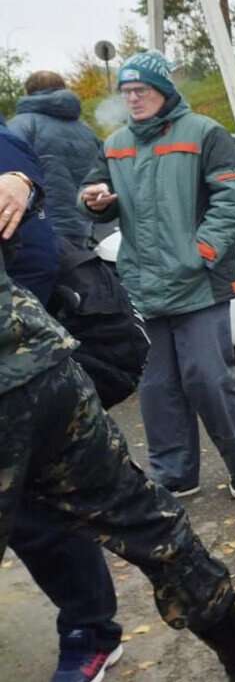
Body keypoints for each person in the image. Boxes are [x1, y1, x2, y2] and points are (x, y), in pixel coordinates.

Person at [0, 164, 235, 682]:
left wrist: (23, 180)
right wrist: (26, 182)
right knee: (149, 522)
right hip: (43, 363)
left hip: (38, 371)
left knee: (199, 398)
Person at [78, 50, 235, 500]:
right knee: (159, 390)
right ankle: (178, 477)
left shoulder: (205, 133)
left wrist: (200, 251)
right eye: (126, 92)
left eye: (141, 90)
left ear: (164, 91)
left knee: (207, 379)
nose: (133, 99)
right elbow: (94, 188)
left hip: (199, 282)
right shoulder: (116, 141)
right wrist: (96, 199)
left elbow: (234, 198)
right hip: (143, 284)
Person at [0, 116, 125, 682]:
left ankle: (91, 629)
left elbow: (18, 168)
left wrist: (22, 180)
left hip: (24, 374)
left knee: (40, 508)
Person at [7, 70, 104, 248]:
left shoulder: (20, 126)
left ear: (27, 92)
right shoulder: (87, 131)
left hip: (42, 232)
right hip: (86, 229)